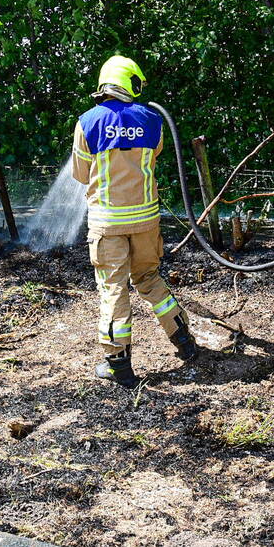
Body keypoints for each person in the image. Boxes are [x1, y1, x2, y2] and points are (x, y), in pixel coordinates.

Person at [71, 55, 198, 388]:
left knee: (113, 291)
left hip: (107, 224)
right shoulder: (151, 119)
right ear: (130, 82)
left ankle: (118, 365)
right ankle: (183, 339)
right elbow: (153, 157)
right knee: (150, 279)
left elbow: (81, 174)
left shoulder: (88, 122)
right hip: (145, 221)